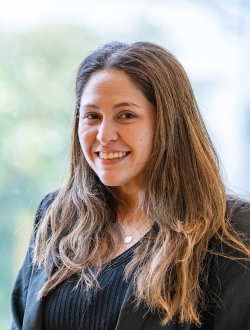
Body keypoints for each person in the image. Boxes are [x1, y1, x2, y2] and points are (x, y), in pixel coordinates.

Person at [11, 41, 250, 330]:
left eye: (126, 115)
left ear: (167, 124)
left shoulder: (230, 231)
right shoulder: (56, 216)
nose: (104, 135)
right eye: (92, 116)